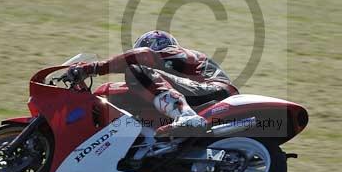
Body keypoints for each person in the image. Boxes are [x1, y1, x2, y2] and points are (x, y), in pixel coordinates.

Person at [66, 30, 238, 134]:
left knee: (135, 70)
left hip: (211, 91)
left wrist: (93, 68)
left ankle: (185, 115)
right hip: (205, 95)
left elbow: (141, 57)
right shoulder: (173, 70)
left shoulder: (173, 52)